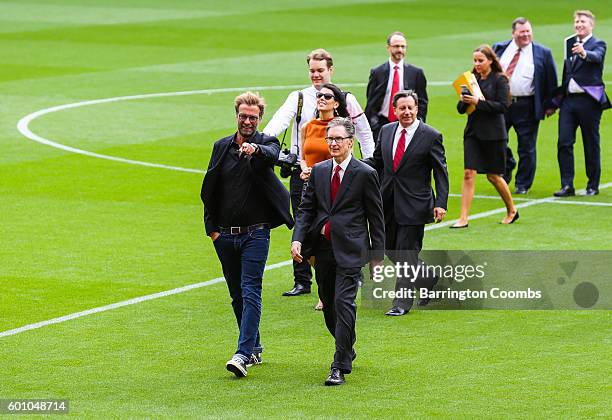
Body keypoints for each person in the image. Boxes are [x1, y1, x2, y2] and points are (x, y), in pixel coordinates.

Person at [264, 48, 375, 298]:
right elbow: (280, 121)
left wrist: (369, 162)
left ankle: (347, 273)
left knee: (339, 224)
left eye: (320, 70)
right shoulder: (300, 98)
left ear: (331, 70)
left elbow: (364, 131)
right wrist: (262, 142)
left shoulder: (346, 98)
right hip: (303, 173)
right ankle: (302, 280)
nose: (316, 75)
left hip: (338, 175)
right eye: (312, 70)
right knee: (301, 223)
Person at [200, 92, 293, 378]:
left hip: (256, 234)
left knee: (251, 289)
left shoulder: (266, 143)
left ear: (260, 119)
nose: (248, 121)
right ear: (236, 116)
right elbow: (209, 189)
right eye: (243, 116)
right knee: (236, 295)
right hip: (224, 236)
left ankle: (242, 354)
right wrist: (212, 230)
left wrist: (255, 150)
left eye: (253, 117)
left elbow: (274, 156)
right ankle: (254, 346)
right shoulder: (221, 147)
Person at [291, 117, 385, 386]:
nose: (332, 143)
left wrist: (376, 257)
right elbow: (306, 209)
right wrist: (297, 239)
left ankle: (339, 365)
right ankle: (347, 345)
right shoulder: (319, 171)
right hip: (322, 250)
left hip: (352, 250)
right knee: (330, 306)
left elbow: (375, 218)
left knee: (345, 303)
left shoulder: (365, 173)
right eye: (329, 139)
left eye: (337, 139)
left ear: (350, 142)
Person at [363, 90, 449, 316]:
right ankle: (428, 278)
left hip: (415, 205)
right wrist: (353, 164)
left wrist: (441, 202)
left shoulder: (431, 135)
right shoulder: (386, 131)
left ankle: (401, 303)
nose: (407, 112)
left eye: (411, 107)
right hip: (387, 202)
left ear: (417, 108)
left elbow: (441, 172)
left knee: (407, 252)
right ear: (395, 110)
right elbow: (378, 162)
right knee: (392, 251)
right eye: (402, 108)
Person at [452, 45, 518, 229]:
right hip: (473, 133)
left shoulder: (500, 80)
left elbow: (502, 107)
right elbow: (460, 109)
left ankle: (512, 209)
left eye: (480, 60)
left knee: (493, 176)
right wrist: (465, 101)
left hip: (494, 134)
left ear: (490, 60)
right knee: (468, 173)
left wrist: (478, 103)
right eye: (475, 60)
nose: (477, 64)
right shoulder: (471, 80)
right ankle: (463, 218)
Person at [298, 83, 350, 311]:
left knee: (329, 239)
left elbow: (346, 158)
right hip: (309, 187)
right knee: (309, 243)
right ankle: (325, 284)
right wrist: (304, 168)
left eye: (327, 96)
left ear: (336, 103)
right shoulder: (307, 126)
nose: (321, 98)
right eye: (319, 95)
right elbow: (302, 155)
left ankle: (332, 288)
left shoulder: (339, 129)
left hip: (332, 190)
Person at [493, 17, 558, 193]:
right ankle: (508, 166)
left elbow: (551, 80)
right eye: (522, 32)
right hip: (502, 105)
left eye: (528, 31)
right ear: (514, 32)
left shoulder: (542, 52)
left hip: (527, 105)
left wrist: (552, 104)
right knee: (496, 142)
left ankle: (522, 184)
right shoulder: (499, 48)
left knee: (527, 147)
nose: (526, 35)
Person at [554, 10, 610, 197]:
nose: (579, 24)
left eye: (583, 22)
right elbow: (567, 72)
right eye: (577, 21)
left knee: (590, 143)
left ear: (591, 25)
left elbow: (597, 57)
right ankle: (567, 184)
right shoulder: (569, 42)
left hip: (589, 101)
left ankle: (592, 185)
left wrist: (584, 53)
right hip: (569, 101)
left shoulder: (598, 43)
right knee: (564, 141)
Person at [365, 31, 428, 140]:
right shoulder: (377, 72)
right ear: (388, 48)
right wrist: (373, 123)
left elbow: (422, 101)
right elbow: (371, 101)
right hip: (381, 124)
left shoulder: (416, 73)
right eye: (396, 46)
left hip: (407, 123)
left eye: (403, 47)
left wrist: (419, 123)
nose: (400, 50)